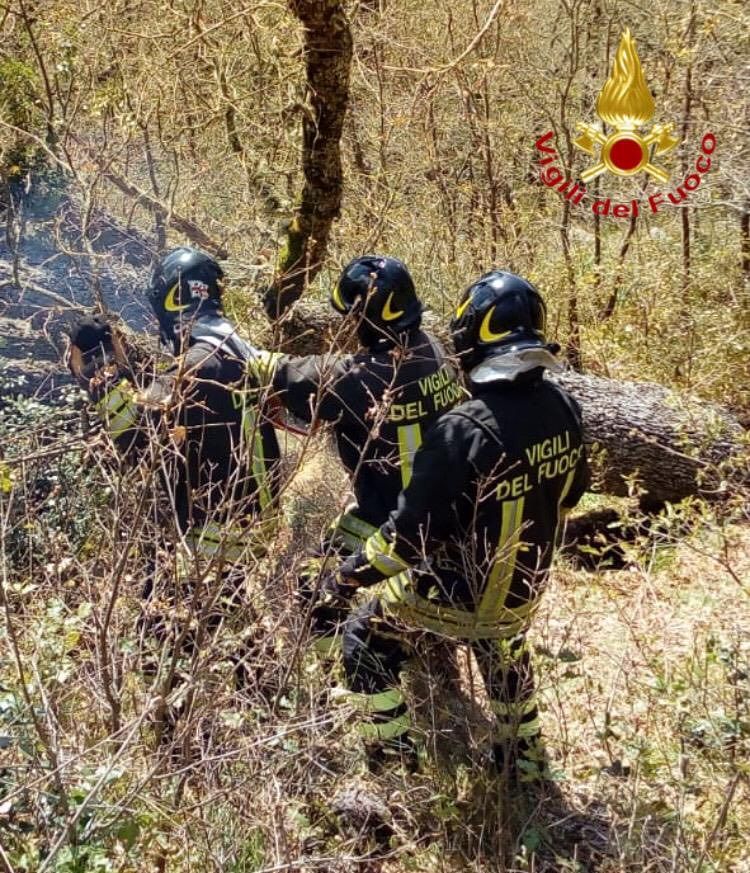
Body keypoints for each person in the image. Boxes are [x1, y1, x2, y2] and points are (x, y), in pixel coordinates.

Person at [325, 270, 590, 777]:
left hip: (460, 594)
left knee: (362, 640)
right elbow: (571, 495)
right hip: (524, 588)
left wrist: (347, 576)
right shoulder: (564, 406)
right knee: (503, 642)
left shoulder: (462, 428)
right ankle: (525, 760)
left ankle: (396, 763)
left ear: (473, 336)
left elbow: (408, 539)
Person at [67, 246, 281, 689]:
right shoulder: (237, 348)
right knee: (229, 615)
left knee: (161, 632)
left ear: (169, 301)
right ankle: (267, 695)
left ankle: (178, 731)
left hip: (212, 528)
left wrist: (101, 378)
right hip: (251, 516)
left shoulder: (192, 368)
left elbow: (137, 443)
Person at [269, 255, 463, 653]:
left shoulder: (360, 378)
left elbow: (286, 375)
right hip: (443, 512)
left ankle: (325, 671)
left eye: (352, 317)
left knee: (316, 587)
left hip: (391, 518)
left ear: (366, 317)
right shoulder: (435, 350)